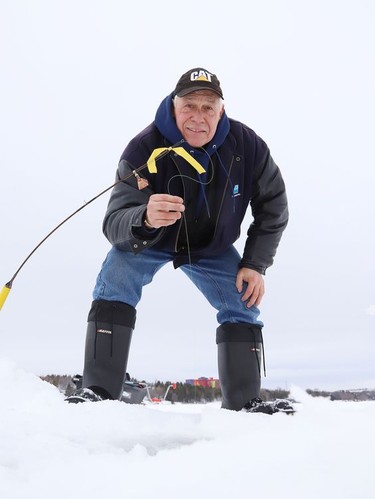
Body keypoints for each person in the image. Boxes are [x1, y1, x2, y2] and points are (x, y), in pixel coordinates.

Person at [66, 67, 290, 413]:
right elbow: (114, 222)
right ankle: (98, 391)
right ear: (174, 106)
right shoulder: (143, 147)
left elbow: (273, 207)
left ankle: (245, 404)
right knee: (115, 280)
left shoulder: (248, 147)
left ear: (222, 111)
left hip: (210, 246)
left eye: (208, 107)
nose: (198, 117)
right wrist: (143, 218)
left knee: (244, 301)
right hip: (149, 240)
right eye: (189, 106)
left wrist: (255, 263)